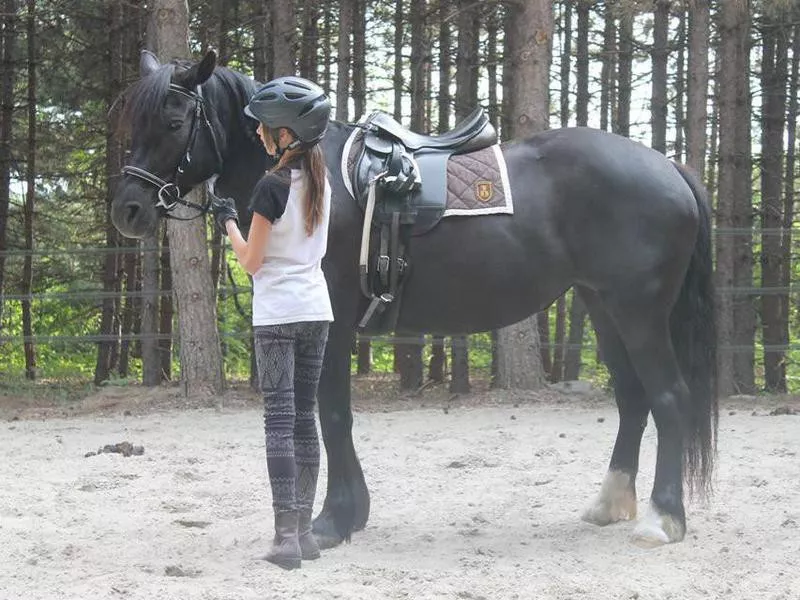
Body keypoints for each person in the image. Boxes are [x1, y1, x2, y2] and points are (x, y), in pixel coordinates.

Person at [210, 76, 333, 571]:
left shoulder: (269, 185)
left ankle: (284, 537)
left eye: (265, 128)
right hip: (316, 310)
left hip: (279, 314)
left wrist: (229, 224)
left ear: (285, 133)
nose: (260, 134)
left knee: (278, 422)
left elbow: (252, 261)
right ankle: (303, 533)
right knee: (306, 419)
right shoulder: (320, 183)